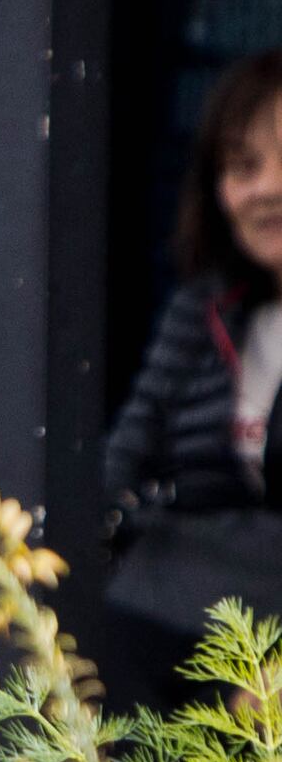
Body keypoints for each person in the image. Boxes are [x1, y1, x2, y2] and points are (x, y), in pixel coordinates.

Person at [102, 49, 282, 667]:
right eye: (243, 167)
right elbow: (123, 461)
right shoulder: (202, 309)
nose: (267, 189)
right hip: (180, 636)